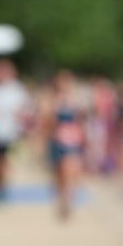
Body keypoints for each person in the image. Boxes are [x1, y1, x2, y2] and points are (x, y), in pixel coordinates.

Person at [0, 58, 32, 202]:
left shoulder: (17, 90)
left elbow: (26, 110)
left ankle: (1, 187)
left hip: (9, 133)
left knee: (3, 160)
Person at [42, 70, 86, 219]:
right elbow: (46, 121)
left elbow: (83, 119)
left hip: (73, 140)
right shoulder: (51, 99)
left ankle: (67, 198)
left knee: (70, 169)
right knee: (59, 172)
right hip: (57, 140)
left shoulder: (76, 99)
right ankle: (62, 196)